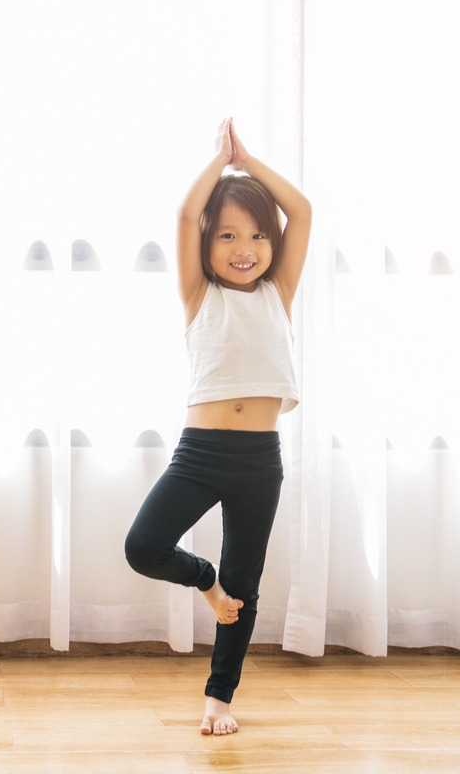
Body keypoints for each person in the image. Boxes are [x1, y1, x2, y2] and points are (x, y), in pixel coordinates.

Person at [123, 116, 312, 736]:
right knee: (144, 546)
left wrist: (249, 162)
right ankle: (205, 581)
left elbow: (302, 212)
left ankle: (219, 699)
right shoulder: (198, 295)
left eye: (257, 236)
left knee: (246, 584)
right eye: (228, 234)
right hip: (199, 453)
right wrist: (218, 162)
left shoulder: (277, 292)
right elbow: (184, 215)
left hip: (260, 460)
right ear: (207, 243)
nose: (244, 248)